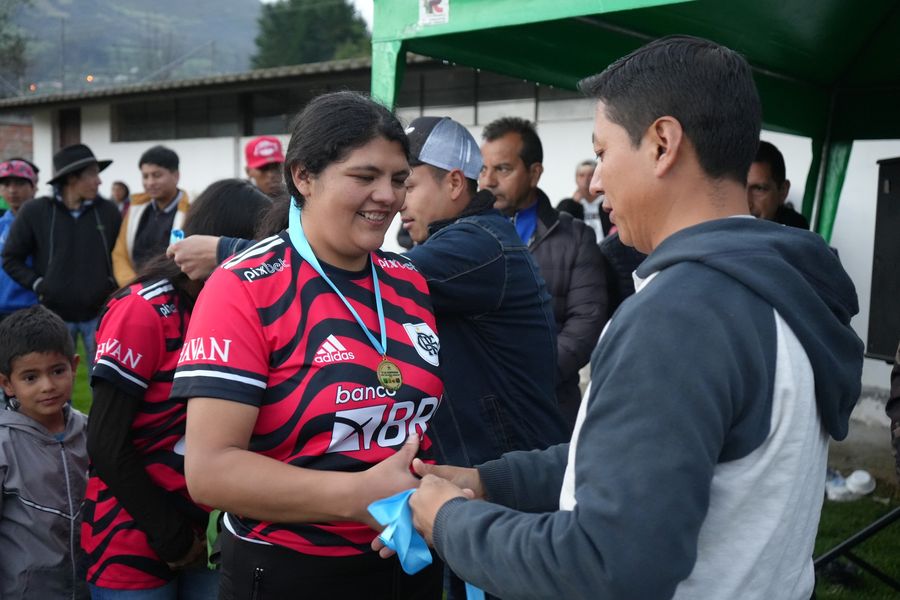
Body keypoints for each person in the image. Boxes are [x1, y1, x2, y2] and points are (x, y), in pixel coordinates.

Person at [395, 35, 864, 600]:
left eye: (603, 152)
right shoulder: (779, 287)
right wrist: (492, 480)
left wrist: (451, 521)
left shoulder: (679, 317)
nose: (594, 183)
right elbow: (639, 459)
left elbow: (604, 566)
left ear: (663, 144)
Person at [170, 91, 444, 599]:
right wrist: (356, 496)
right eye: (365, 176)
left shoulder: (408, 279)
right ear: (303, 177)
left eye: (399, 179)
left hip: (405, 559)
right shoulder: (245, 286)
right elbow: (209, 471)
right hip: (289, 570)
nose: (387, 195)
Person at [83, 179, 269, 598]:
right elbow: (106, 441)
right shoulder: (144, 309)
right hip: (132, 534)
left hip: (210, 533)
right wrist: (171, 537)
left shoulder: (238, 310)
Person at [479, 116, 608, 428]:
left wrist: (530, 375)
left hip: (548, 408)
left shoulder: (574, 237)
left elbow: (586, 321)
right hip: (480, 409)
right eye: (483, 169)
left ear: (534, 172)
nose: (488, 181)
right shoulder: (463, 235)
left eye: (503, 169)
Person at [2, 143, 121, 364]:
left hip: (100, 313)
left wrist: (112, 285)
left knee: (103, 377)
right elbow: (11, 258)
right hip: (54, 316)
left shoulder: (109, 211)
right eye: (92, 174)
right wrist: (38, 284)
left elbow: (119, 256)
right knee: (56, 377)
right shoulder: (35, 211)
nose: (99, 181)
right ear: (71, 178)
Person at [0, 305, 89, 600]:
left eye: (57, 371)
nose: (47, 386)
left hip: (91, 588)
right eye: (30, 377)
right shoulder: (4, 445)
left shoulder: (91, 432)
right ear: (6, 383)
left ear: (74, 366)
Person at [113, 145, 190, 286]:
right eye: (145, 176)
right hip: (134, 288)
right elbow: (120, 254)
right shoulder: (135, 211)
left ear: (176, 176)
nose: (150, 183)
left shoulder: (189, 213)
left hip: (171, 291)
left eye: (157, 175)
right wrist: (133, 284)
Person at [0, 160, 39, 321]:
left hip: (32, 307)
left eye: (20, 184)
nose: (12, 190)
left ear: (33, 187)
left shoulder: (43, 224)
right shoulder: (2, 224)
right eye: (6, 184)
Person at [747, 140, 809, 229]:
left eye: (759, 189)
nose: (746, 203)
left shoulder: (797, 233)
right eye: (739, 189)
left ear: (783, 191)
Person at [562, 159, 612, 241]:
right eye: (581, 175)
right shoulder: (569, 205)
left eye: (590, 175)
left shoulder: (609, 203)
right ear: (576, 179)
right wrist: (571, 204)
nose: (586, 180)